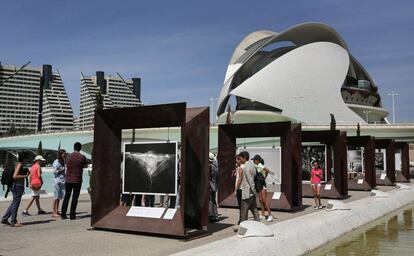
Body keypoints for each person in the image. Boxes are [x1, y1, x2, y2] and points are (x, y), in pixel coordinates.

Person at [2, 152, 30, 227]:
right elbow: (15, 176)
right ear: (24, 158)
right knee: (16, 204)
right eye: (27, 158)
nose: (27, 160)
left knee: (14, 203)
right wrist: (25, 176)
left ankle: (5, 218)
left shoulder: (17, 163)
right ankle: (13, 221)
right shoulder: (20, 164)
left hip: (15, 186)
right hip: (17, 186)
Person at [61, 142, 87, 220]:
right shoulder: (82, 157)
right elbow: (85, 166)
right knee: (75, 198)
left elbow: (66, 163)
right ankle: (72, 215)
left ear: (74, 147)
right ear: (80, 148)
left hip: (68, 179)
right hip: (77, 180)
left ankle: (63, 214)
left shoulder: (68, 156)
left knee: (67, 196)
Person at [234, 151, 259, 230]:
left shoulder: (246, 167)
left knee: (244, 211)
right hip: (251, 192)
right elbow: (254, 176)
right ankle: (258, 225)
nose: (240, 160)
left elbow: (250, 180)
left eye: (241, 158)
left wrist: (254, 190)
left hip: (247, 191)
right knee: (254, 209)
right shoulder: (252, 165)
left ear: (244, 158)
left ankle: (243, 228)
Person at [252, 155, 273, 222]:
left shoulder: (259, 165)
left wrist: (265, 177)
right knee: (260, 200)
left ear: (257, 160)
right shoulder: (257, 165)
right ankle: (263, 214)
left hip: (262, 185)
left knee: (264, 200)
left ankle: (270, 215)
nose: (253, 161)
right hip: (259, 184)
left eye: (254, 160)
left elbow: (267, 170)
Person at [52, 149, 66, 217]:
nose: (65, 155)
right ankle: (53, 212)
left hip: (62, 180)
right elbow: (54, 171)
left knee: (59, 196)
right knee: (55, 196)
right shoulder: (56, 162)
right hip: (57, 181)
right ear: (60, 154)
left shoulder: (62, 161)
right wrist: (61, 170)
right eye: (64, 154)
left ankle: (57, 210)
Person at [208, 152, 219, 222]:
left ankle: (211, 216)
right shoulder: (215, 167)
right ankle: (216, 215)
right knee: (214, 201)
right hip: (214, 186)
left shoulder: (209, 166)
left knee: (210, 201)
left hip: (210, 186)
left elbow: (208, 177)